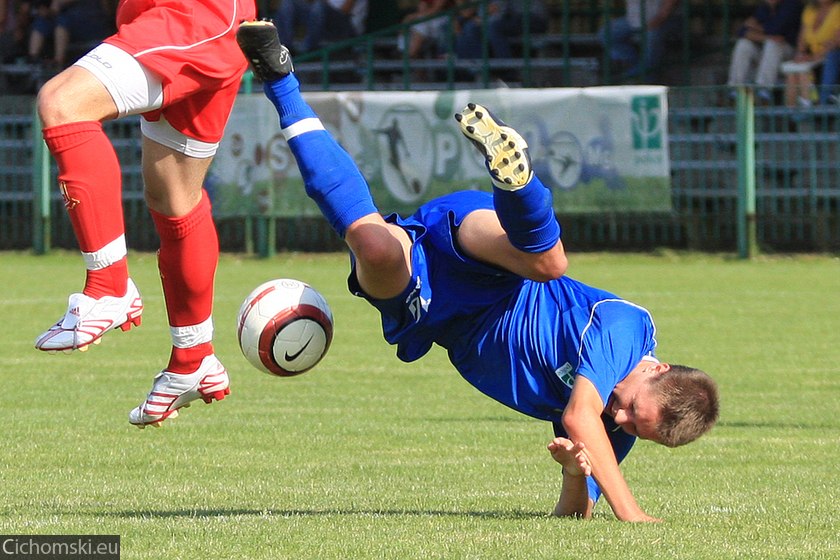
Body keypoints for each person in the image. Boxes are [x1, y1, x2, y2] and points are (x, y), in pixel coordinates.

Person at [236, 20, 720, 521]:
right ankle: (518, 185)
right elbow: (578, 415)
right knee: (550, 263)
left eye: (632, 426)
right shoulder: (627, 331)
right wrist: (633, 515)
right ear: (657, 368)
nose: (618, 417)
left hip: (446, 311)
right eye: (630, 409)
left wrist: (578, 474)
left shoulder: (612, 421)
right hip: (499, 267)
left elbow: (571, 516)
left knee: (374, 247)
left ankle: (278, 78)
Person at [32, 0, 257, 427]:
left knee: (62, 103)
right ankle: (193, 360)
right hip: (167, 18)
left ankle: (108, 287)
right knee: (174, 197)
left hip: (195, 14)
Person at [726, 0, 803, 104]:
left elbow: (776, 29)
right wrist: (766, 36)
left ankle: (763, 90)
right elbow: (742, 31)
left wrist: (756, 28)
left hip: (789, 53)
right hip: (766, 52)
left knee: (772, 45)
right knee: (743, 44)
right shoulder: (764, 7)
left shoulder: (792, 4)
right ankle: (735, 89)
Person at [599, 0, 681, 81]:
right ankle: (635, 67)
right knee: (607, 34)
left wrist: (659, 19)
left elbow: (670, 4)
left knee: (652, 36)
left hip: (665, 20)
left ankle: (644, 77)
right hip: (633, 20)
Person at [780, 0, 840, 107]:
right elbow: (802, 37)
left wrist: (812, 57)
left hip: (831, 58)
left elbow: (836, 42)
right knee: (792, 73)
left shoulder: (838, 9)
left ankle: (812, 112)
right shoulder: (810, 10)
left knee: (804, 73)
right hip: (813, 57)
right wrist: (800, 54)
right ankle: (793, 116)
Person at [27, 0, 112, 69]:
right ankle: (33, 59)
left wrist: (55, 6)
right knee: (41, 22)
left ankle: (58, 62)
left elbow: (57, 6)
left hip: (91, 23)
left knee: (63, 21)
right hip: (69, 25)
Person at [274, 0, 368, 55]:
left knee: (319, 6)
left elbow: (345, 10)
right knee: (289, 3)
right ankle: (285, 47)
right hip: (324, 21)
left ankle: (308, 48)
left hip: (347, 26)